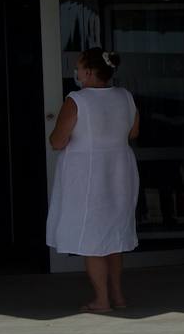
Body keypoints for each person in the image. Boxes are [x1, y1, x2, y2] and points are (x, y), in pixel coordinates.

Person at [46, 48, 141, 312]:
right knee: (114, 234)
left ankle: (102, 299)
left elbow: (58, 140)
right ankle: (118, 295)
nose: (76, 72)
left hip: (88, 170)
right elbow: (134, 132)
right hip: (120, 169)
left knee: (92, 236)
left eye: (78, 67)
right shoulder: (125, 96)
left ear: (88, 71)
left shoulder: (77, 100)